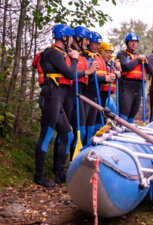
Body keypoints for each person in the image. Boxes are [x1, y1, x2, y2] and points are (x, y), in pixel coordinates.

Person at [36, 24, 84, 187]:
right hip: (51, 96)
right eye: (70, 37)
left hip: (57, 97)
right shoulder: (53, 53)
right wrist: (75, 58)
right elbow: (70, 73)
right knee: (47, 134)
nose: (71, 41)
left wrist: (85, 70)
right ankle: (39, 175)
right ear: (64, 37)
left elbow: (68, 73)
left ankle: (60, 173)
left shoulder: (60, 54)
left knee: (67, 134)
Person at [68, 26, 98, 158]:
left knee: (82, 131)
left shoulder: (83, 56)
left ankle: (74, 160)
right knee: (69, 133)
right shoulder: (69, 53)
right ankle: (61, 167)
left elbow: (89, 79)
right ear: (78, 39)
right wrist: (88, 71)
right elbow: (68, 72)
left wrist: (91, 71)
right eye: (86, 39)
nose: (88, 42)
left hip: (80, 93)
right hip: (68, 93)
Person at [82, 31, 115, 144]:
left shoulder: (98, 58)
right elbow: (89, 79)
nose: (96, 46)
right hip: (86, 97)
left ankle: (90, 148)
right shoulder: (85, 57)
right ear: (89, 43)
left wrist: (111, 76)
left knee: (91, 128)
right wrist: (105, 79)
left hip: (96, 98)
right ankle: (76, 154)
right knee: (83, 130)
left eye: (98, 44)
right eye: (94, 43)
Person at [116, 33, 150, 123]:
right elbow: (127, 67)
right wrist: (138, 59)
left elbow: (152, 71)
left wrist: (146, 62)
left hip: (138, 89)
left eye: (135, 42)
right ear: (127, 43)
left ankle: (128, 135)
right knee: (124, 118)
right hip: (126, 87)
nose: (134, 44)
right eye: (131, 42)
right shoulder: (122, 55)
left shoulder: (139, 57)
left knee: (131, 118)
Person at [98, 42, 121, 108]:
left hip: (107, 96)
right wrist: (115, 75)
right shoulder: (98, 63)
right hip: (99, 95)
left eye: (111, 53)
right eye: (107, 52)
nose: (110, 55)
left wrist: (119, 70)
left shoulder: (110, 65)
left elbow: (117, 75)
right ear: (101, 51)